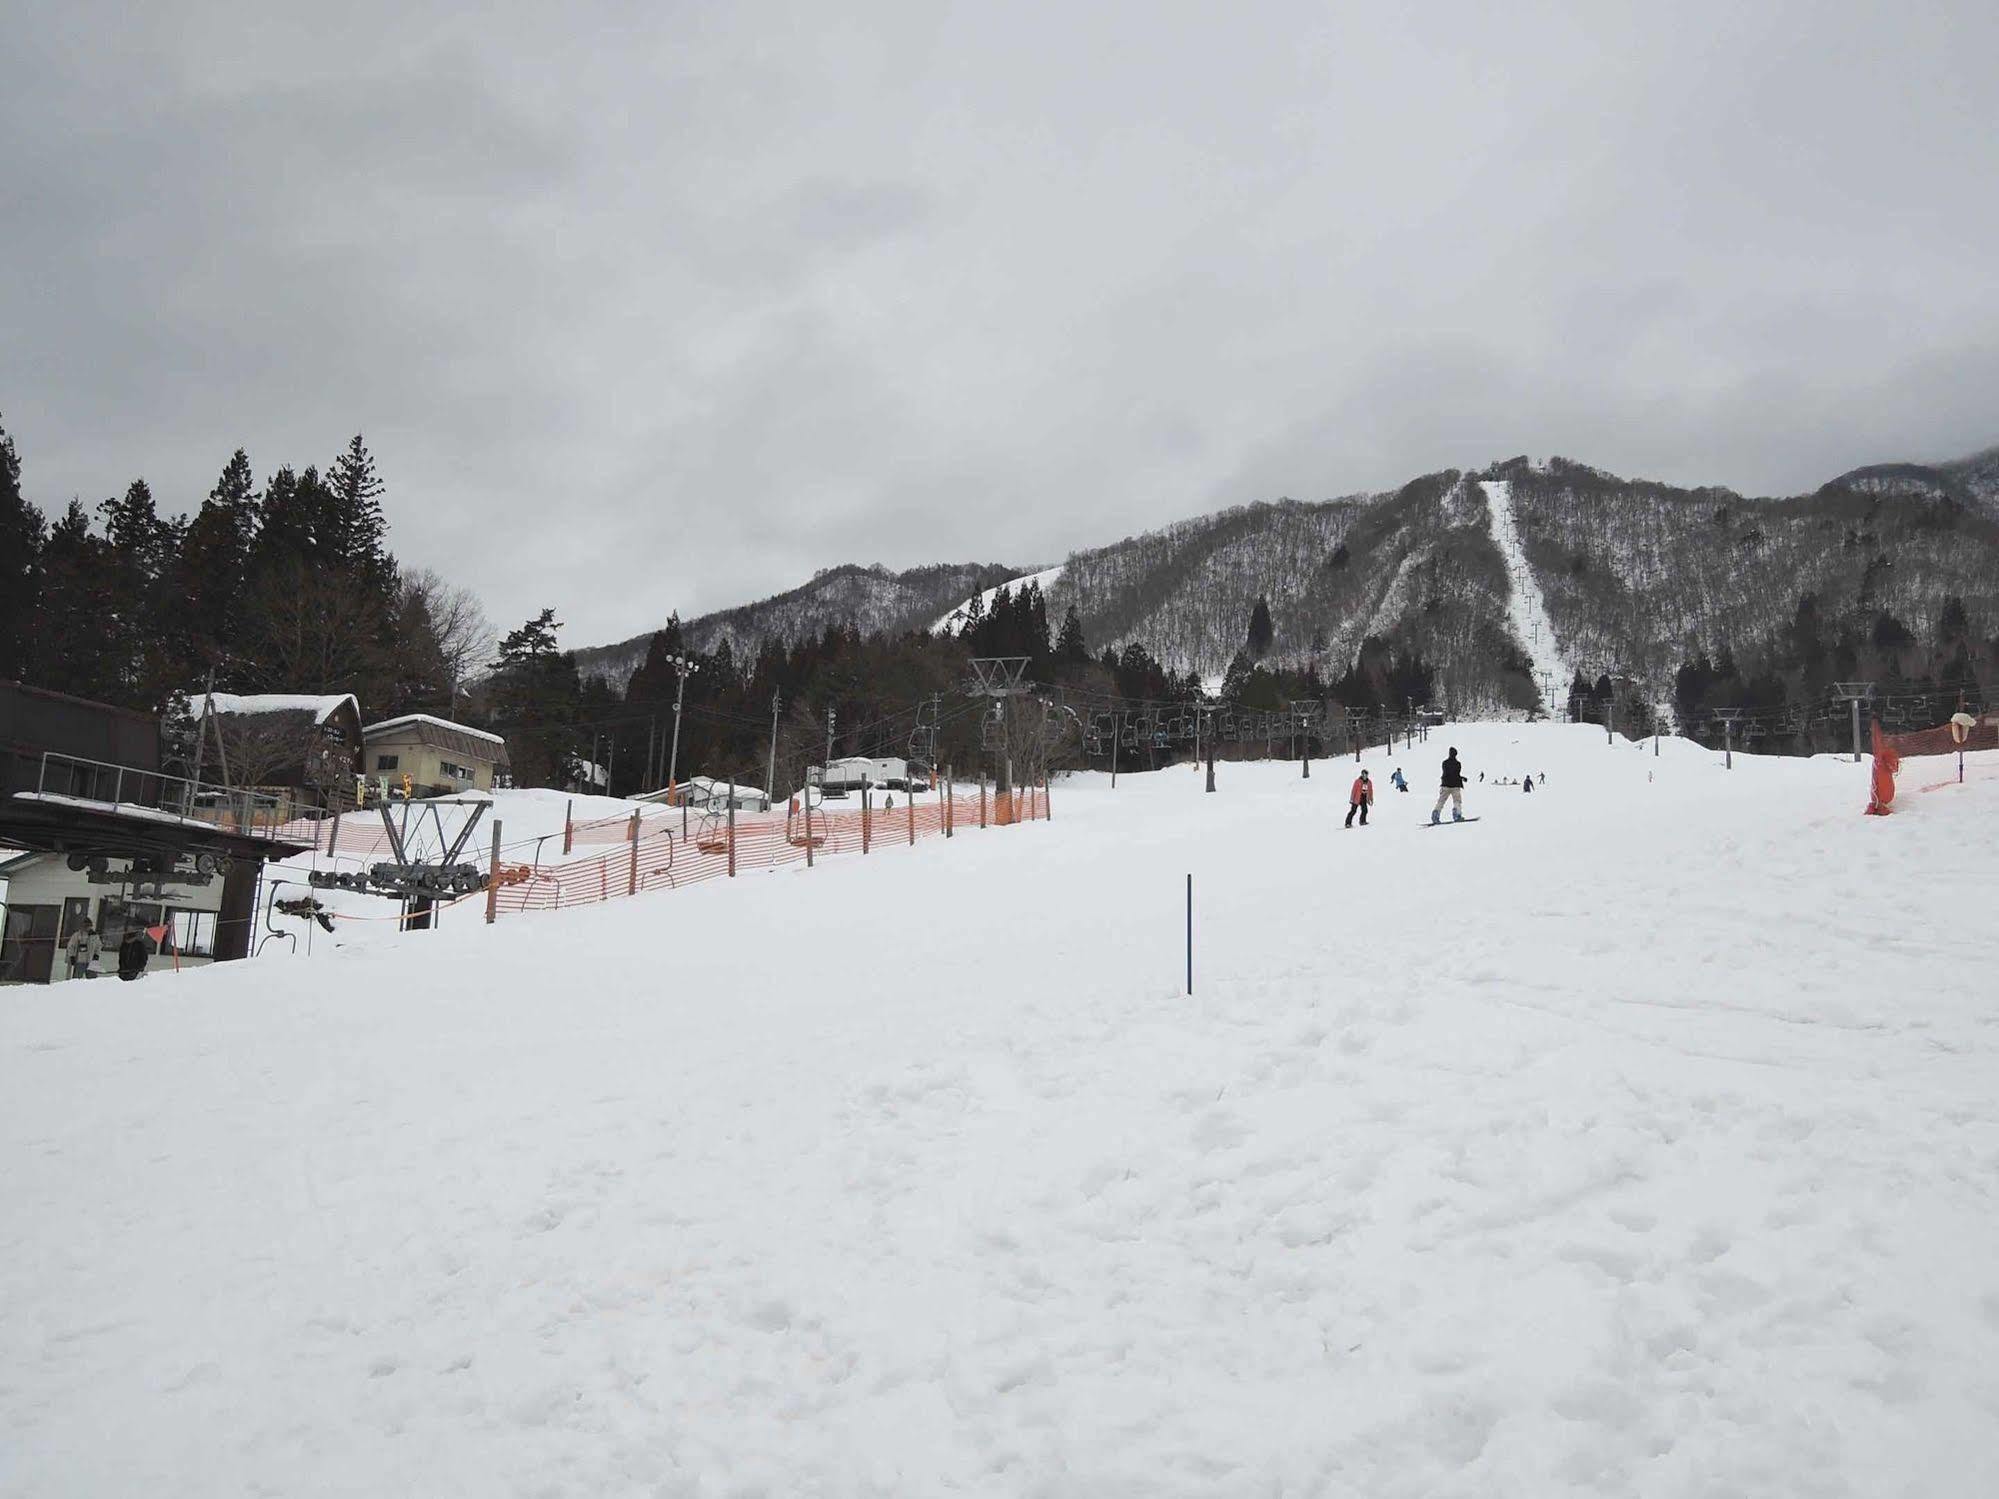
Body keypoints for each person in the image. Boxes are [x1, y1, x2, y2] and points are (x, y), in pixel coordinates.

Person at [1432, 747, 1467, 824]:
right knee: (1457, 801)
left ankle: (1435, 814)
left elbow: (1448, 773)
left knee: (1441, 801)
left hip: (1445, 784)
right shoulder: (1458, 764)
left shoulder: (1444, 763)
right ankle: (1457, 814)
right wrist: (1462, 778)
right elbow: (1455, 775)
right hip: (1455, 785)